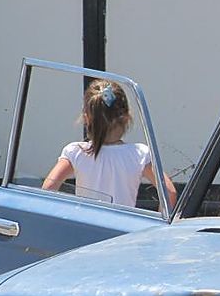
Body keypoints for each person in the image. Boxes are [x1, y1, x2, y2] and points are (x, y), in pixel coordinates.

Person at [42, 79, 177, 210]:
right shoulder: (139, 154)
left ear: (86, 118)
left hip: (86, 228)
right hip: (125, 230)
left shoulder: (76, 152)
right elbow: (169, 192)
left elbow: (48, 189)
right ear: (126, 117)